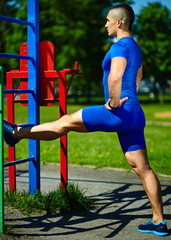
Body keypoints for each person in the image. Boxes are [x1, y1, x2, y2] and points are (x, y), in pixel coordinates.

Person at [4, 3, 169, 236]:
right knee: (142, 167)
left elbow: (116, 75)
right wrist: (130, 96)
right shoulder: (134, 46)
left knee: (64, 122)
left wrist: (113, 101)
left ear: (119, 22)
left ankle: (16, 132)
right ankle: (158, 221)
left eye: (108, 20)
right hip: (134, 113)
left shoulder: (121, 45)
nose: (105, 24)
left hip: (118, 111)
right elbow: (138, 73)